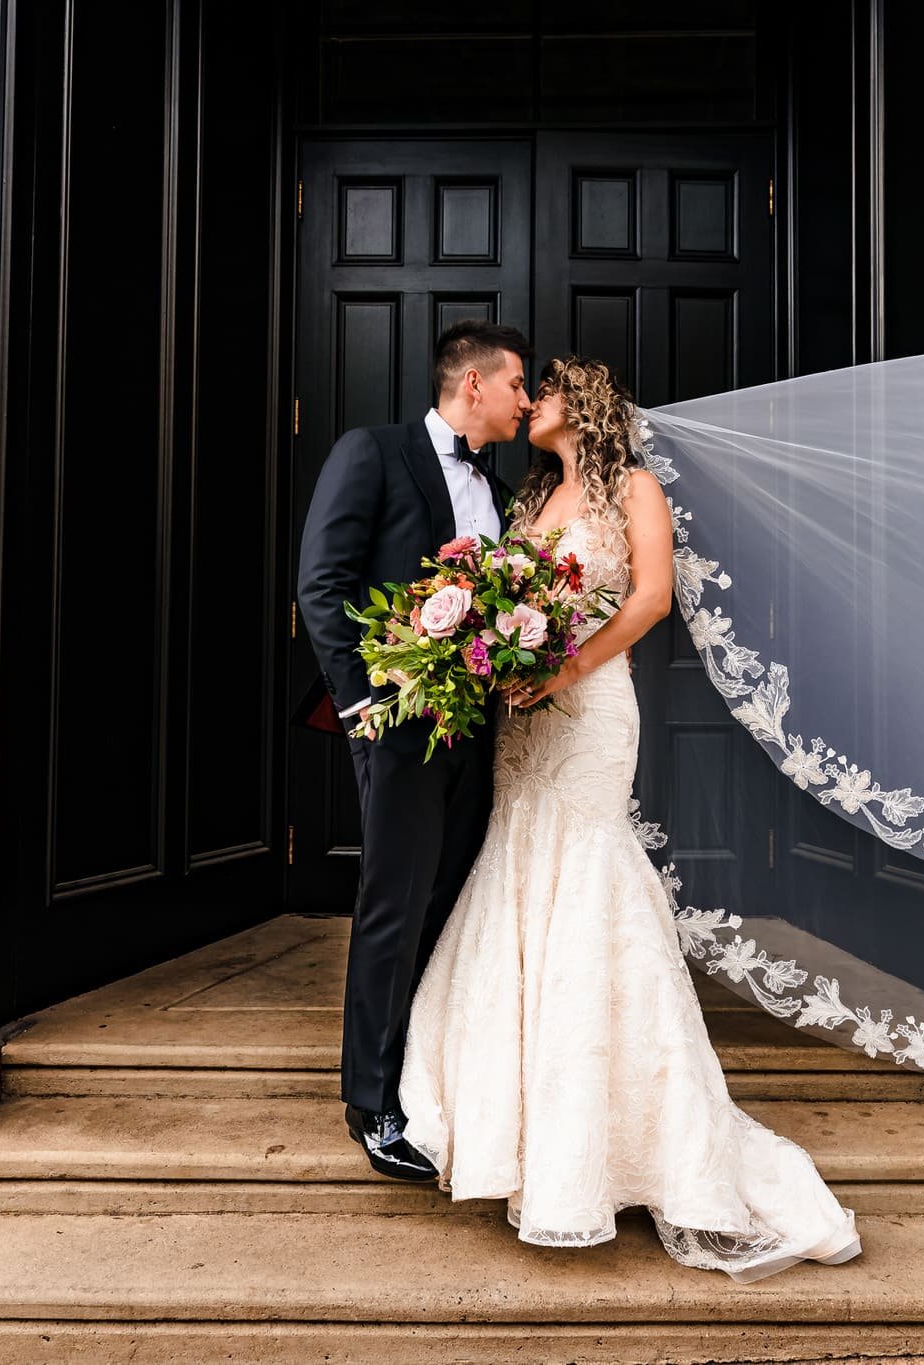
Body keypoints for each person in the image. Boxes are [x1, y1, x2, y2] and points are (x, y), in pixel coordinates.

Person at [396, 357, 861, 1282]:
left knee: (589, 873)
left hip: (593, 708)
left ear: (588, 403)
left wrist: (564, 669)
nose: (531, 403)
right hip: (522, 719)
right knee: (519, 862)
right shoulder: (529, 503)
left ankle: (627, 1142)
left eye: (547, 389)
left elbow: (650, 597)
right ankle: (518, 1124)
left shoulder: (634, 488)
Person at [295, 319, 533, 1180]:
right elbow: (321, 580)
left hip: (476, 734)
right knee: (392, 905)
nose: (527, 401)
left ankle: (427, 1079)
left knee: (445, 903)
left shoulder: (500, 493)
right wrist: (362, 702)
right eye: (517, 385)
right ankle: (371, 1099)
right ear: (474, 385)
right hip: (395, 726)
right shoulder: (374, 452)